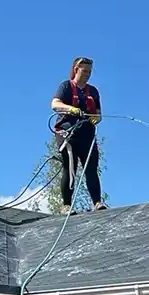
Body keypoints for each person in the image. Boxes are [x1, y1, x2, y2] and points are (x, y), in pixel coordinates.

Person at [50, 56, 106, 213]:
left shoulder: (93, 91)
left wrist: (96, 118)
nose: (88, 74)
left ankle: (97, 202)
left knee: (91, 167)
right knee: (70, 167)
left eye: (90, 72)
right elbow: (55, 104)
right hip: (67, 133)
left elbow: (98, 114)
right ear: (76, 70)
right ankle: (66, 205)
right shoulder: (66, 86)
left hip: (87, 135)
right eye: (85, 71)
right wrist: (71, 109)